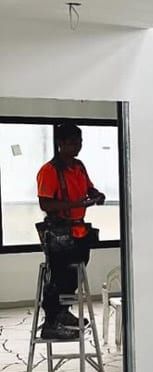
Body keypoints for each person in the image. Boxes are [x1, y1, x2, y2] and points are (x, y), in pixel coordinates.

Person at [36, 122, 105, 340]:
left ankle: (64, 314)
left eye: (80, 142)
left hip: (79, 233)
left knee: (73, 277)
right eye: (73, 143)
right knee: (58, 279)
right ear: (60, 143)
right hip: (58, 234)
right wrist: (74, 204)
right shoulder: (49, 171)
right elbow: (46, 204)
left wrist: (97, 194)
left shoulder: (79, 166)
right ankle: (51, 322)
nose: (77, 147)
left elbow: (89, 188)